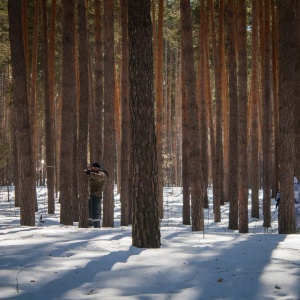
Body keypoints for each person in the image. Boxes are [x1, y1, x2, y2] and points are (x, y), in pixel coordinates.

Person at [86, 162, 109, 228]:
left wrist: (90, 173)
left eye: (95, 167)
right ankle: (90, 224)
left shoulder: (102, 173)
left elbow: (99, 177)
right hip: (91, 194)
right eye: (93, 167)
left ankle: (97, 225)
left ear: (98, 168)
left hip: (97, 194)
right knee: (90, 209)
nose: (94, 168)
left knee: (95, 210)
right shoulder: (92, 173)